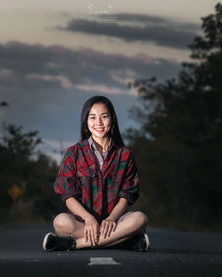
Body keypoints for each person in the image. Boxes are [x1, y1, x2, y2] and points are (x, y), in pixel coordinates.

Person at [42, 96, 149, 252]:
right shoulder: (74, 153)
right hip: (81, 222)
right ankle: (124, 242)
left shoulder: (125, 155)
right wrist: (89, 218)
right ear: (86, 121)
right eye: (92, 117)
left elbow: (126, 195)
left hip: (114, 223)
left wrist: (111, 218)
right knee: (60, 222)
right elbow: (68, 195)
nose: (98, 123)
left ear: (112, 119)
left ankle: (74, 244)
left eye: (104, 116)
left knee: (140, 219)